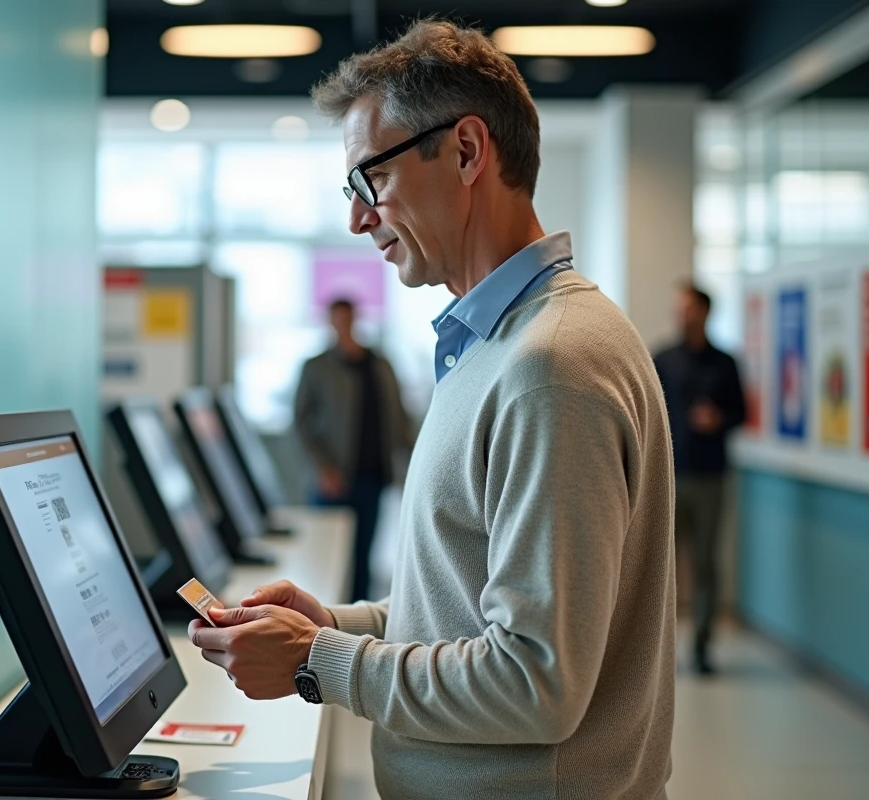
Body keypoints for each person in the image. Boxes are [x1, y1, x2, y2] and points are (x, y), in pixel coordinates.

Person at [189, 20, 675, 800]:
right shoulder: (494, 346)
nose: (358, 218)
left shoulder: (551, 365)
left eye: (368, 180)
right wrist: (330, 627)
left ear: (466, 151)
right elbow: (468, 604)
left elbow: (535, 680)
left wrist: (317, 661)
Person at [293, 298, 413, 602]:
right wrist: (324, 468)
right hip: (334, 479)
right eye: (337, 319)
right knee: (330, 559)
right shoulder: (317, 366)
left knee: (363, 556)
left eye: (348, 318)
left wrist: (408, 468)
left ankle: (354, 627)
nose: (343, 325)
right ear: (330, 322)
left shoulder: (379, 363)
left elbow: (398, 416)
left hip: (372, 475)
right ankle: (323, 622)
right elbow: (301, 423)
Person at [653, 284, 746, 675]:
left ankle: (703, 647)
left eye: (689, 307)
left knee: (706, 563)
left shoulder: (725, 363)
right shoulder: (663, 358)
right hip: (669, 477)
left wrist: (719, 419)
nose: (682, 313)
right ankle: (658, 652)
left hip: (710, 478)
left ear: (706, 312)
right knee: (663, 568)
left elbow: (741, 412)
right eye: (679, 307)